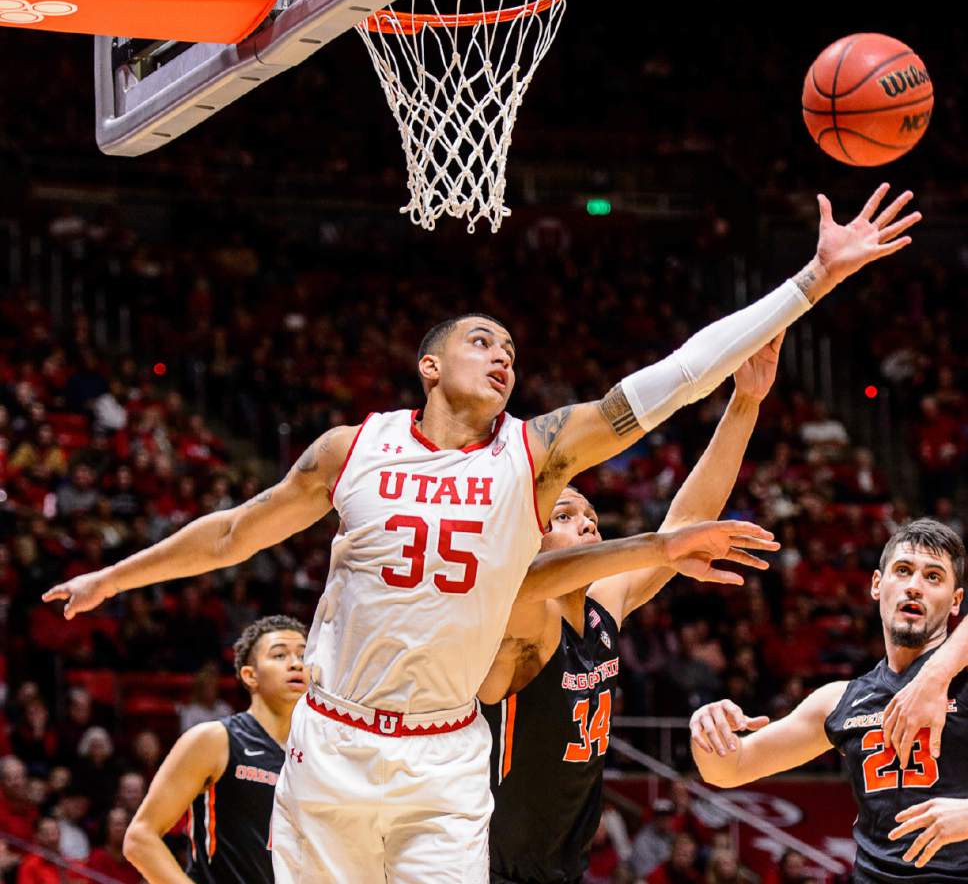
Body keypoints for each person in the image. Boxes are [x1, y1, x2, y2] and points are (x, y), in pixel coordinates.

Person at [44, 185, 919, 882]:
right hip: (332, 738)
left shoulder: (535, 454)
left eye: (511, 349)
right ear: (430, 365)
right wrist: (116, 578)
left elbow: (671, 381)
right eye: (481, 342)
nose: (504, 356)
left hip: (445, 754)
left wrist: (813, 280)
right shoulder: (353, 448)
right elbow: (235, 532)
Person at [481, 336, 784, 883]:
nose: (590, 522)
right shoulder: (522, 615)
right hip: (489, 868)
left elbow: (683, 526)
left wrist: (745, 404)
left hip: (561, 867)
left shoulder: (599, 606)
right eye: (569, 515)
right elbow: (520, 583)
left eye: (593, 515)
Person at [689, 519, 968, 882]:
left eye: (933, 577)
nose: (914, 586)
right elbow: (729, 770)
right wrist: (707, 730)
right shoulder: (841, 699)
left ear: (956, 602)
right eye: (903, 570)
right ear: (876, 585)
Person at [123, 616, 307, 883]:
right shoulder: (215, 739)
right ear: (250, 675)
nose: (296, 663)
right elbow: (140, 838)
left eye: (304, 655)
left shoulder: (319, 756)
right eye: (279, 655)